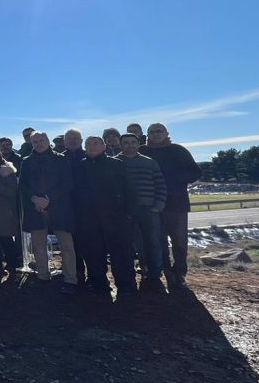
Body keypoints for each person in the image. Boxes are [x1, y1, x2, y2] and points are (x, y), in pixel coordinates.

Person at [142, 123, 202, 289]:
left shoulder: (178, 150)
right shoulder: (143, 151)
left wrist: (172, 178)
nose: (155, 134)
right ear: (147, 135)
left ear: (166, 133)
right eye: (152, 132)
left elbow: (195, 172)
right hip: (151, 204)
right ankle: (166, 270)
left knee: (179, 241)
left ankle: (180, 272)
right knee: (157, 240)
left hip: (176, 203)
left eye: (159, 131)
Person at [74, 136, 136, 297]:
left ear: (104, 146)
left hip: (116, 216)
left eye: (96, 143)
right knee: (93, 253)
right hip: (89, 218)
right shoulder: (79, 167)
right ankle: (99, 283)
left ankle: (125, 285)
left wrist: (128, 213)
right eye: (88, 144)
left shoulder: (117, 164)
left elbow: (129, 190)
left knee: (121, 253)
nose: (92, 146)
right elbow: (75, 193)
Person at [19, 131, 79, 294]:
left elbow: (67, 183)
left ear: (47, 141)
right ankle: (43, 276)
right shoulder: (27, 161)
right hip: (35, 208)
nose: (39, 144)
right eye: (35, 141)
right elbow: (23, 184)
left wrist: (48, 199)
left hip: (59, 207)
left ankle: (70, 279)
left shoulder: (61, 159)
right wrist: (34, 198)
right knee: (38, 246)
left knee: (67, 246)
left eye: (41, 140)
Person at [119, 133, 167, 293]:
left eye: (133, 142)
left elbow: (160, 184)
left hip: (148, 209)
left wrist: (158, 205)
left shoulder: (149, 162)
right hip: (125, 211)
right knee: (127, 244)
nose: (130, 145)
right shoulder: (115, 163)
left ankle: (155, 273)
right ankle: (132, 272)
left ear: (138, 144)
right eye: (126, 142)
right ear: (121, 145)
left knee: (152, 242)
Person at [61, 129, 88, 287]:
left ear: (81, 140)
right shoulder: (59, 158)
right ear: (64, 141)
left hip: (87, 206)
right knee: (70, 242)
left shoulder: (88, 155)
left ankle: (95, 273)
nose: (72, 141)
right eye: (69, 138)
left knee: (89, 241)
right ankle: (76, 271)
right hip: (65, 205)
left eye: (75, 138)